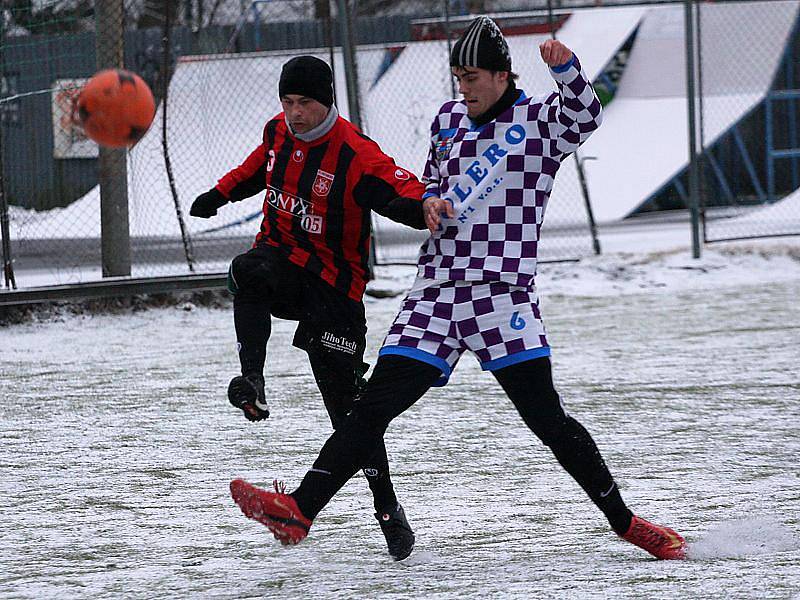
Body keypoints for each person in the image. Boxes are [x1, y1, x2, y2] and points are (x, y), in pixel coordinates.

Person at [227, 19, 687, 561]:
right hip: (439, 291)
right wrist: (430, 204)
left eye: (470, 77)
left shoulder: (538, 122)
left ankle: (628, 523)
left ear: (500, 75)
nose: (461, 88)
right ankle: (300, 511)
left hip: (501, 296)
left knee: (547, 420)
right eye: (456, 77)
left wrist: (565, 69)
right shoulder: (448, 121)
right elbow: (431, 183)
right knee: (370, 407)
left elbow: (586, 115)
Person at [191, 55, 427, 561]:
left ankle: (386, 507)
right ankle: (251, 380)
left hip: (335, 287)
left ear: (328, 103)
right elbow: (259, 165)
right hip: (282, 261)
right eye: (288, 102)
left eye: (305, 103)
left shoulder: (356, 155)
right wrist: (220, 194)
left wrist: (429, 207)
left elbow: (399, 190)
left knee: (349, 411)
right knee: (246, 271)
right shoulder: (279, 132)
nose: (295, 113)